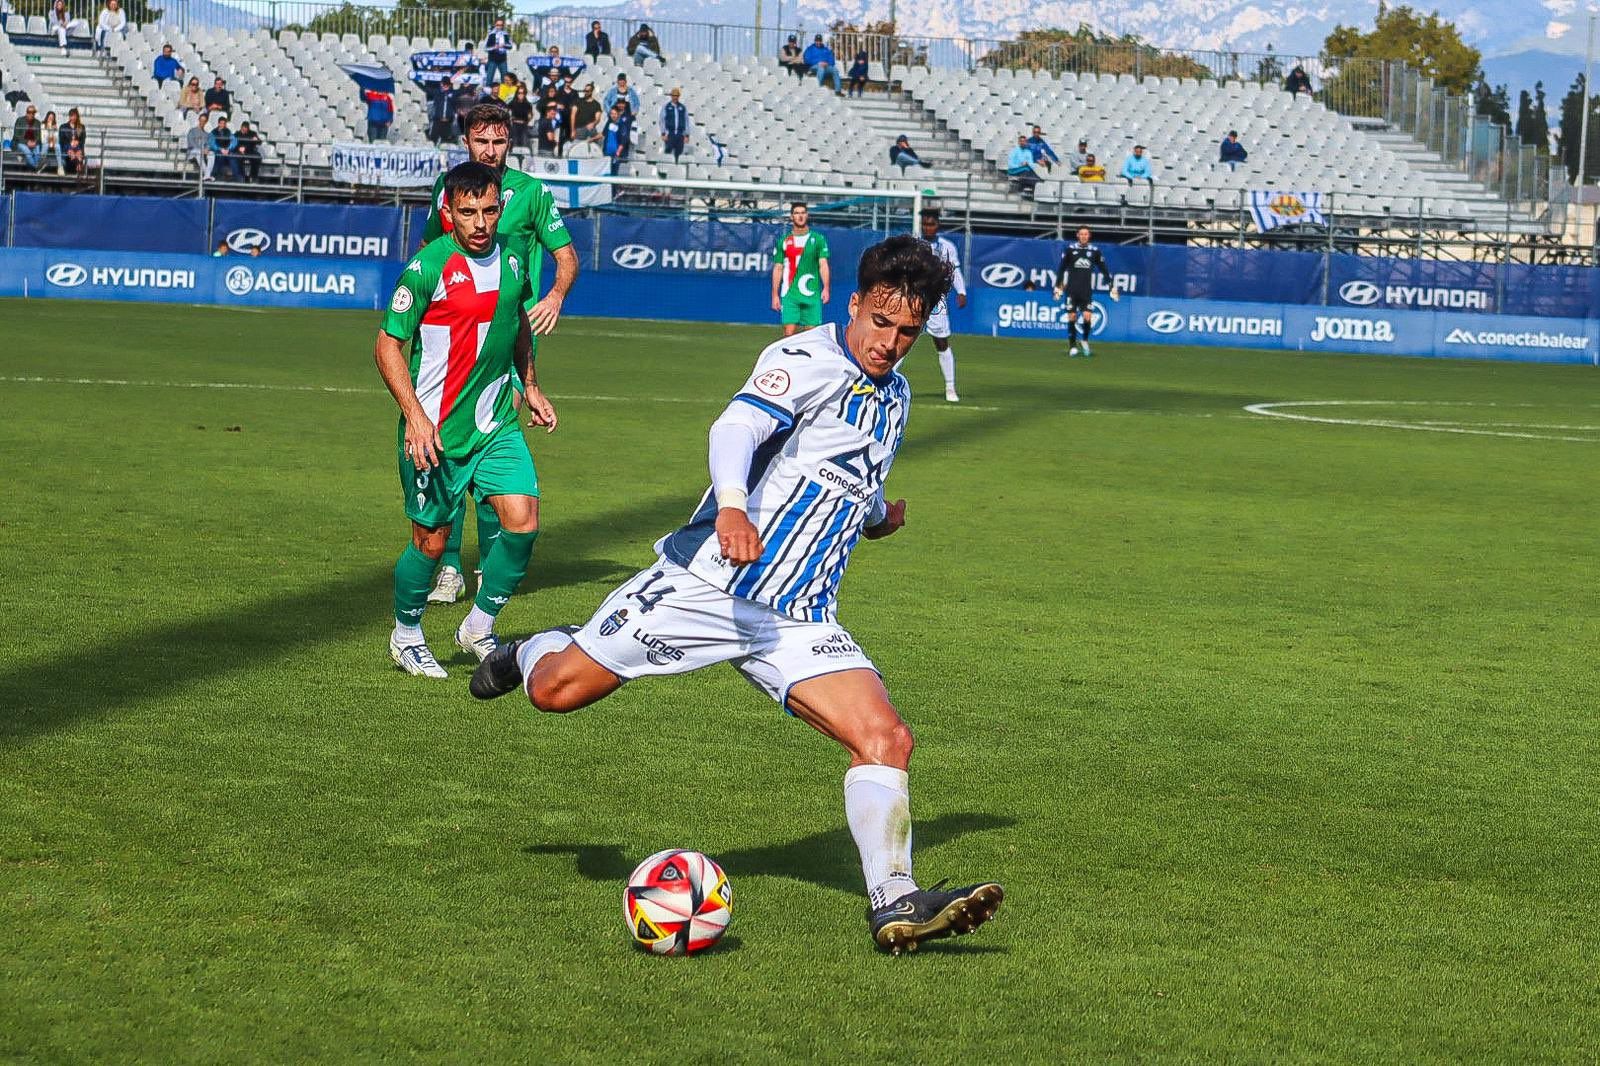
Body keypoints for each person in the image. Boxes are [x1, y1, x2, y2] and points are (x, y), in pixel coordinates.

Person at [468, 235, 1004, 955]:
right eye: (880, 323)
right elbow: (737, 426)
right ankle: (533, 646)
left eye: (907, 332)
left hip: (799, 616)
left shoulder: (897, 394)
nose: (891, 343)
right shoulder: (803, 360)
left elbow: (850, 475)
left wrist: (878, 519)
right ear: (854, 304)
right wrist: (730, 506)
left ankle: (895, 900)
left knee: (886, 738)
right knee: (558, 691)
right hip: (707, 587)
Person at [378, 162, 558, 678]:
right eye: (469, 212)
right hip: (435, 429)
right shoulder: (427, 266)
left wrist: (532, 384)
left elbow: (517, 323)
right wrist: (414, 417)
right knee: (430, 544)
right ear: (448, 212)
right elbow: (388, 343)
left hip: (496, 421)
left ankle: (478, 625)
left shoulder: (514, 263)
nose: (481, 222)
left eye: (489, 210)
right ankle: (406, 634)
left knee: (522, 522)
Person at [419, 103, 580, 610]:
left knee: (494, 439)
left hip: (509, 337)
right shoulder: (448, 188)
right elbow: (430, 255)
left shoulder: (531, 193)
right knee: (448, 443)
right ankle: (447, 567)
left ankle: (488, 561)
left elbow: (566, 255)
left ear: (510, 142)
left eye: (499, 142)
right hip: (455, 334)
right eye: (480, 141)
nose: (489, 151)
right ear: (466, 141)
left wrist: (553, 297)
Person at [917, 208, 966, 403]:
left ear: (938, 225)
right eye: (925, 224)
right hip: (914, 299)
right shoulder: (913, 244)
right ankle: (883, 382)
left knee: (941, 342)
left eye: (932, 224)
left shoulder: (947, 247)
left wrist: (961, 291)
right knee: (902, 339)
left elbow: (954, 271)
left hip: (937, 300)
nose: (928, 227)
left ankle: (950, 387)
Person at [1051, 226, 1119, 358]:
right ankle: (1072, 346)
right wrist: (1058, 287)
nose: (1083, 236)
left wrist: (1112, 286)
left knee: (1087, 316)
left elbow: (1104, 269)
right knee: (1072, 317)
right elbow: (1061, 269)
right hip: (1071, 290)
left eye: (1086, 234)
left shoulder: (1094, 251)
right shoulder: (1070, 249)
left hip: (1086, 291)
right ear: (1077, 235)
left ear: (1089, 236)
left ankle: (1085, 340)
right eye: (1081, 234)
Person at [771, 201, 830, 337]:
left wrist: (826, 287)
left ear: (807, 215)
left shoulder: (818, 239)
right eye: (796, 213)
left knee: (812, 336)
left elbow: (823, 264)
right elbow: (778, 268)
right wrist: (774, 294)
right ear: (792, 216)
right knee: (789, 334)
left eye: (803, 213)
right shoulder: (784, 241)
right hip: (790, 294)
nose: (800, 216)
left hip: (811, 293)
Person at [601, 101, 632, 174]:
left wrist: (618, 152)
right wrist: (591, 139)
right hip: (606, 153)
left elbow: (624, 140)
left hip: (615, 154)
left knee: (614, 172)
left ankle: (614, 185)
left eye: (615, 114)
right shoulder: (609, 123)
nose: (613, 115)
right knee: (606, 172)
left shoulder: (622, 125)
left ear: (618, 114)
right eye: (611, 113)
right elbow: (603, 134)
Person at [659, 86, 690, 161]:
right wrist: (663, 133)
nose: (675, 97)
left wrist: (687, 135)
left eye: (676, 96)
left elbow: (686, 121)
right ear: (671, 96)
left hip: (680, 134)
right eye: (673, 96)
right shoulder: (666, 107)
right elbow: (662, 120)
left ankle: (676, 167)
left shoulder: (682, 107)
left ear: (679, 96)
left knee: (679, 153)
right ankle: (666, 168)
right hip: (670, 133)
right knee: (668, 151)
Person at [426, 77, 458, 144]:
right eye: (444, 84)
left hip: (448, 122)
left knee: (446, 142)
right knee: (432, 140)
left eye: (447, 84)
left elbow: (464, 90)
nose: (445, 86)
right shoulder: (436, 92)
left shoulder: (453, 93)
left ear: (450, 85)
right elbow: (425, 88)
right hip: (437, 121)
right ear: (441, 84)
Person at [483, 17, 511, 88]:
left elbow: (510, 46)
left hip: (502, 59)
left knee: (505, 80)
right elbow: (485, 48)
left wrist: (504, 45)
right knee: (489, 79)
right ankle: (488, 96)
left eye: (501, 25)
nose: (499, 27)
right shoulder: (490, 34)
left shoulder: (505, 34)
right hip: (492, 59)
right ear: (495, 25)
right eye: (498, 25)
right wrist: (494, 47)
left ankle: (504, 96)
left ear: (503, 26)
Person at [12, 105, 42, 170]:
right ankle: (37, 167)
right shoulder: (20, 120)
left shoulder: (37, 123)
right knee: (27, 151)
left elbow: (39, 137)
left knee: (37, 150)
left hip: (33, 143)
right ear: (26, 112)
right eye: (29, 112)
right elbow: (16, 135)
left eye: (33, 113)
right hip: (21, 143)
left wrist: (35, 142)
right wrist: (26, 142)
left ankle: (33, 169)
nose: (31, 114)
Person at [185, 111, 212, 180]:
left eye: (204, 121)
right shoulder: (192, 131)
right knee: (198, 152)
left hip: (202, 153)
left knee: (211, 154)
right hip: (192, 152)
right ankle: (207, 174)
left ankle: (207, 175)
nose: (202, 122)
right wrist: (202, 150)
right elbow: (191, 143)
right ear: (198, 120)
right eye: (201, 120)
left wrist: (207, 149)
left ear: (206, 122)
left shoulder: (206, 134)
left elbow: (208, 144)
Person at [210, 113, 238, 179]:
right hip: (217, 150)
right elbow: (212, 144)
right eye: (221, 123)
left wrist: (228, 149)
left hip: (226, 150)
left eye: (224, 123)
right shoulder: (213, 132)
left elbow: (234, 141)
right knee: (220, 156)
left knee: (233, 157)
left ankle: (236, 177)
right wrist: (220, 149)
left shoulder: (228, 131)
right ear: (218, 123)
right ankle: (214, 175)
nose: (223, 125)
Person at [60, 107, 87, 175]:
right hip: (67, 147)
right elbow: (62, 140)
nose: (73, 118)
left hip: (77, 147)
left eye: (75, 116)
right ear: (69, 116)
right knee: (72, 152)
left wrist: (77, 142)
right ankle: (78, 166)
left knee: (78, 153)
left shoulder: (81, 127)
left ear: (77, 117)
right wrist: (70, 143)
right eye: (71, 116)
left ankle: (78, 167)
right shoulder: (63, 126)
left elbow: (83, 141)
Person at [40, 110, 61, 174]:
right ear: (47, 118)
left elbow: (57, 140)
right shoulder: (43, 125)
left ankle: (60, 167)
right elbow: (43, 139)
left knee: (58, 146)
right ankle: (42, 164)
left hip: (54, 143)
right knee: (45, 146)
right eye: (49, 118)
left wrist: (54, 130)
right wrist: (48, 129)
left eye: (52, 118)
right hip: (46, 143)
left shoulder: (56, 126)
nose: (51, 119)